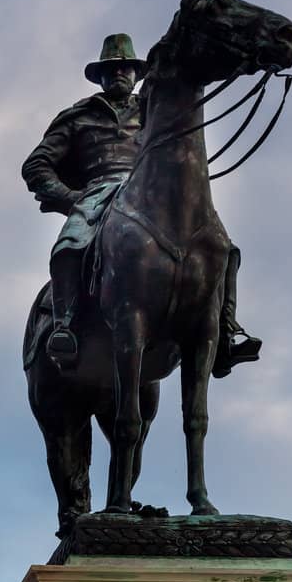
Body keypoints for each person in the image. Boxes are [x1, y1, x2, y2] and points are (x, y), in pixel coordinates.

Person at [22, 33, 260, 375]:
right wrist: (71, 198)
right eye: (112, 68)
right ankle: (66, 327)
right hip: (98, 191)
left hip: (150, 194)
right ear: (100, 76)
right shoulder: (77, 116)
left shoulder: (153, 111)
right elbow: (36, 166)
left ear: (137, 73)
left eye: (126, 67)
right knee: (68, 246)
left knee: (225, 248)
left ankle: (226, 334)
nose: (119, 73)